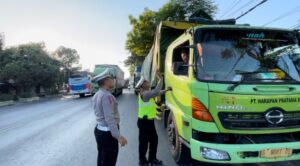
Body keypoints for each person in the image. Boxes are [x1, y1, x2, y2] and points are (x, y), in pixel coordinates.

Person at [92, 69, 127, 166]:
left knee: (102, 158)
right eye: (111, 79)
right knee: (109, 161)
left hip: (99, 131)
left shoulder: (97, 94)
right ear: (106, 81)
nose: (112, 81)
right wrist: (118, 136)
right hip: (108, 134)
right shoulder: (107, 96)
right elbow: (109, 118)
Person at [135, 74, 172, 166]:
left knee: (154, 140)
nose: (148, 82)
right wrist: (161, 79)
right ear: (143, 85)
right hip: (144, 122)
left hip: (149, 121)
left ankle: (152, 159)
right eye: (146, 82)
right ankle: (142, 161)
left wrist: (166, 90)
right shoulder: (145, 93)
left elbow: (157, 93)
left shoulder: (147, 93)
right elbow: (156, 91)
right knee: (144, 143)